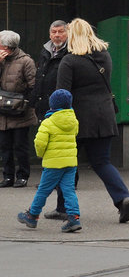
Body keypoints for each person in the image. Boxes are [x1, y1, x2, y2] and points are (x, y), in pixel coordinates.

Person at [56, 18, 129, 223]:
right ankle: (123, 198)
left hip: (78, 119)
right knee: (102, 162)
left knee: (66, 163)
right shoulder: (104, 56)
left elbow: (62, 94)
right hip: (105, 116)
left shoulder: (69, 61)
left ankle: (63, 208)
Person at [18, 88, 81, 232]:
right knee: (69, 191)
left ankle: (32, 216)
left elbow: (39, 143)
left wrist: (41, 154)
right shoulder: (74, 121)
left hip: (53, 164)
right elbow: (75, 134)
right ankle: (74, 218)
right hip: (70, 163)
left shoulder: (48, 122)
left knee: (43, 190)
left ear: (52, 105)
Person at [33, 19, 69, 219]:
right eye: (54, 32)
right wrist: (34, 102)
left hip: (59, 107)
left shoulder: (69, 52)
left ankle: (59, 193)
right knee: (46, 146)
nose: (57, 35)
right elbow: (40, 76)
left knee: (58, 149)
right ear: (49, 34)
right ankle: (55, 184)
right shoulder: (46, 51)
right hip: (43, 105)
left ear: (67, 34)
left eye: (60, 32)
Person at [0, 30, 38, 188]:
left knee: (20, 146)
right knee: (4, 146)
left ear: (8, 47)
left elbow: (33, 85)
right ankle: (7, 176)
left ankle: (22, 175)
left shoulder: (26, 61)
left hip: (20, 111)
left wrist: (24, 103)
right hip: (2, 111)